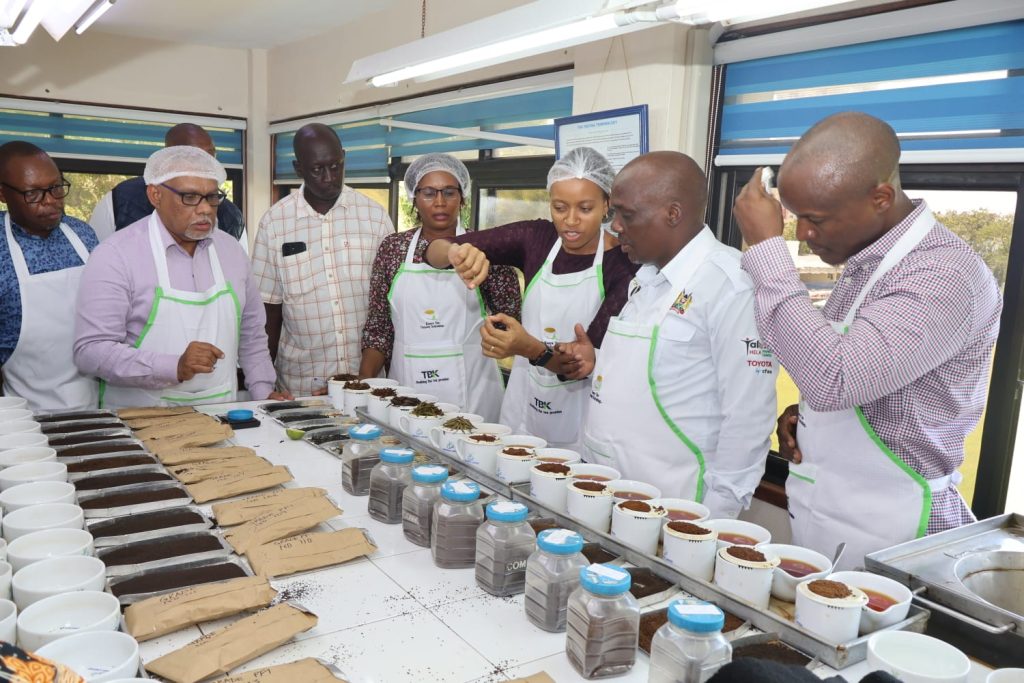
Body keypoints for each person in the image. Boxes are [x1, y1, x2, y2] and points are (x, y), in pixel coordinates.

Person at [734, 112, 1001, 568]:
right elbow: (858, 380)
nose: (804, 234)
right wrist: (812, 423)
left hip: (899, 535)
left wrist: (765, 250)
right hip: (833, 511)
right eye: (796, 218)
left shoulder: (943, 274)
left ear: (881, 197)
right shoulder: (867, 264)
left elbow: (835, 377)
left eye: (817, 220)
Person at [561, 151, 777, 518]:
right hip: (608, 493)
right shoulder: (646, 279)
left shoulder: (730, 286)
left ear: (672, 214)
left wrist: (714, 524)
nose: (614, 227)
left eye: (626, 215)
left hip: (672, 508)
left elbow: (748, 419)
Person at [424, 147, 638, 451]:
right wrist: (456, 252)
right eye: (560, 207)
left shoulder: (624, 267)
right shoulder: (537, 238)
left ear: (606, 206)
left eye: (585, 209)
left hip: (582, 419)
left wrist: (527, 347)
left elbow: (579, 366)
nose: (571, 221)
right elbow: (433, 251)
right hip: (523, 408)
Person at [73, 146, 290, 408]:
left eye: (212, 197)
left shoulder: (231, 251)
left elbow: (252, 335)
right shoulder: (116, 255)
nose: (205, 210)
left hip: (222, 412)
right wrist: (173, 366)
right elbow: (91, 352)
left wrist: (263, 393)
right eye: (189, 197)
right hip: (141, 420)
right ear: (155, 195)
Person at [359, 154, 520, 420]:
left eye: (449, 192)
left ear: (463, 197)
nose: (440, 202)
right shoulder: (393, 250)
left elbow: (510, 322)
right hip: (406, 391)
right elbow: (379, 329)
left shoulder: (488, 249)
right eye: (429, 193)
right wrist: (363, 384)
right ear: (414, 198)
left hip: (474, 394)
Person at [251, 123, 394, 396]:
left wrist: (369, 376)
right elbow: (268, 312)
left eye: (336, 165)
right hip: (301, 384)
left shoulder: (374, 217)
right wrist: (261, 382)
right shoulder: (275, 223)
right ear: (298, 169)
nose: (330, 177)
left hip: (366, 381)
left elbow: (388, 307)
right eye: (318, 169)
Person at [0, 141, 99, 411]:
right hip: (24, 415)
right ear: (2, 194)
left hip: (97, 407)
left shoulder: (82, 235)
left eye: (56, 188)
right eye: (33, 193)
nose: (51, 202)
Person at [88, 123, 246, 243]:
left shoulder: (232, 218)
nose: (204, 165)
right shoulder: (119, 202)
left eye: (210, 157)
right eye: (193, 157)